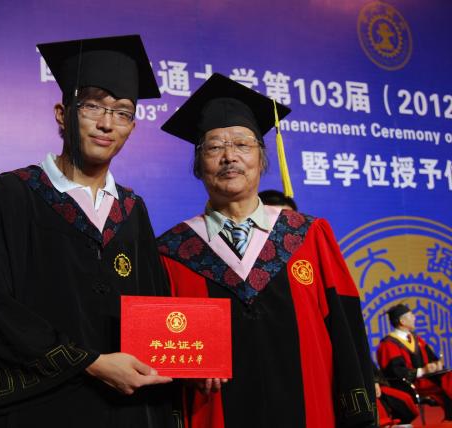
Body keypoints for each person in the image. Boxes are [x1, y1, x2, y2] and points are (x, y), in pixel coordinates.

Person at [0, 35, 177, 427]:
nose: (106, 123)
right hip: (41, 408)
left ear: (132, 127)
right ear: (62, 114)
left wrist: (199, 358)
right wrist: (91, 363)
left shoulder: (132, 211)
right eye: (93, 106)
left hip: (127, 410)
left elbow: (157, 308)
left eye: (123, 112)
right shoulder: (13, 195)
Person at [156, 73, 376, 427]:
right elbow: (159, 350)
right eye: (214, 147)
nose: (229, 157)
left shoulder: (309, 235)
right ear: (198, 165)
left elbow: (347, 336)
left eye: (242, 145)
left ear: (262, 159)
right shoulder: (172, 252)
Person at [377, 303, 452, 420]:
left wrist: (436, 365)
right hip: (409, 385)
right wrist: (422, 371)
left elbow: (432, 358)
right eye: (411, 315)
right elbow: (395, 372)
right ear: (402, 321)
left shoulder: (417, 339)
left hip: (427, 381)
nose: (414, 318)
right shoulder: (388, 344)